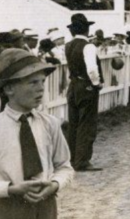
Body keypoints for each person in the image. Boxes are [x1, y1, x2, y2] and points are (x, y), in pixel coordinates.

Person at [0, 49, 74, 218]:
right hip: (7, 208)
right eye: (33, 83)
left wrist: (54, 184)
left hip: (46, 207)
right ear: (9, 88)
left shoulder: (50, 124)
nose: (41, 89)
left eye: (42, 82)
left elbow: (64, 166)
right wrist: (10, 189)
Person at [64, 14, 104, 171]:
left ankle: (72, 159)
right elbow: (92, 68)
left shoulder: (68, 46)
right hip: (86, 86)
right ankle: (82, 161)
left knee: (73, 123)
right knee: (87, 123)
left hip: (73, 86)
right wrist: (97, 83)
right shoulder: (88, 46)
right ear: (87, 29)